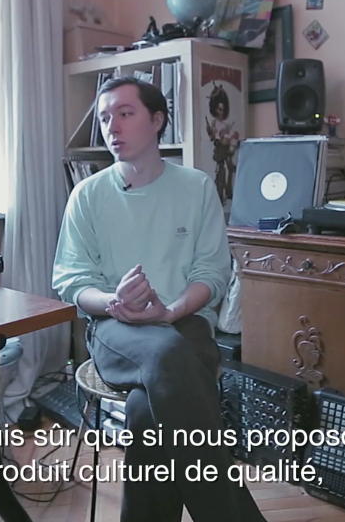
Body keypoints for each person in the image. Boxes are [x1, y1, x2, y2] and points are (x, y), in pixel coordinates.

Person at [52, 76, 265, 522]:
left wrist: (169, 311)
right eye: (105, 118)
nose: (112, 127)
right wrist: (114, 301)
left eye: (125, 113)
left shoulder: (196, 187)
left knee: (146, 411)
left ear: (157, 121)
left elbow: (212, 273)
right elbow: (71, 280)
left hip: (186, 321)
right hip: (115, 327)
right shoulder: (87, 195)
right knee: (166, 351)